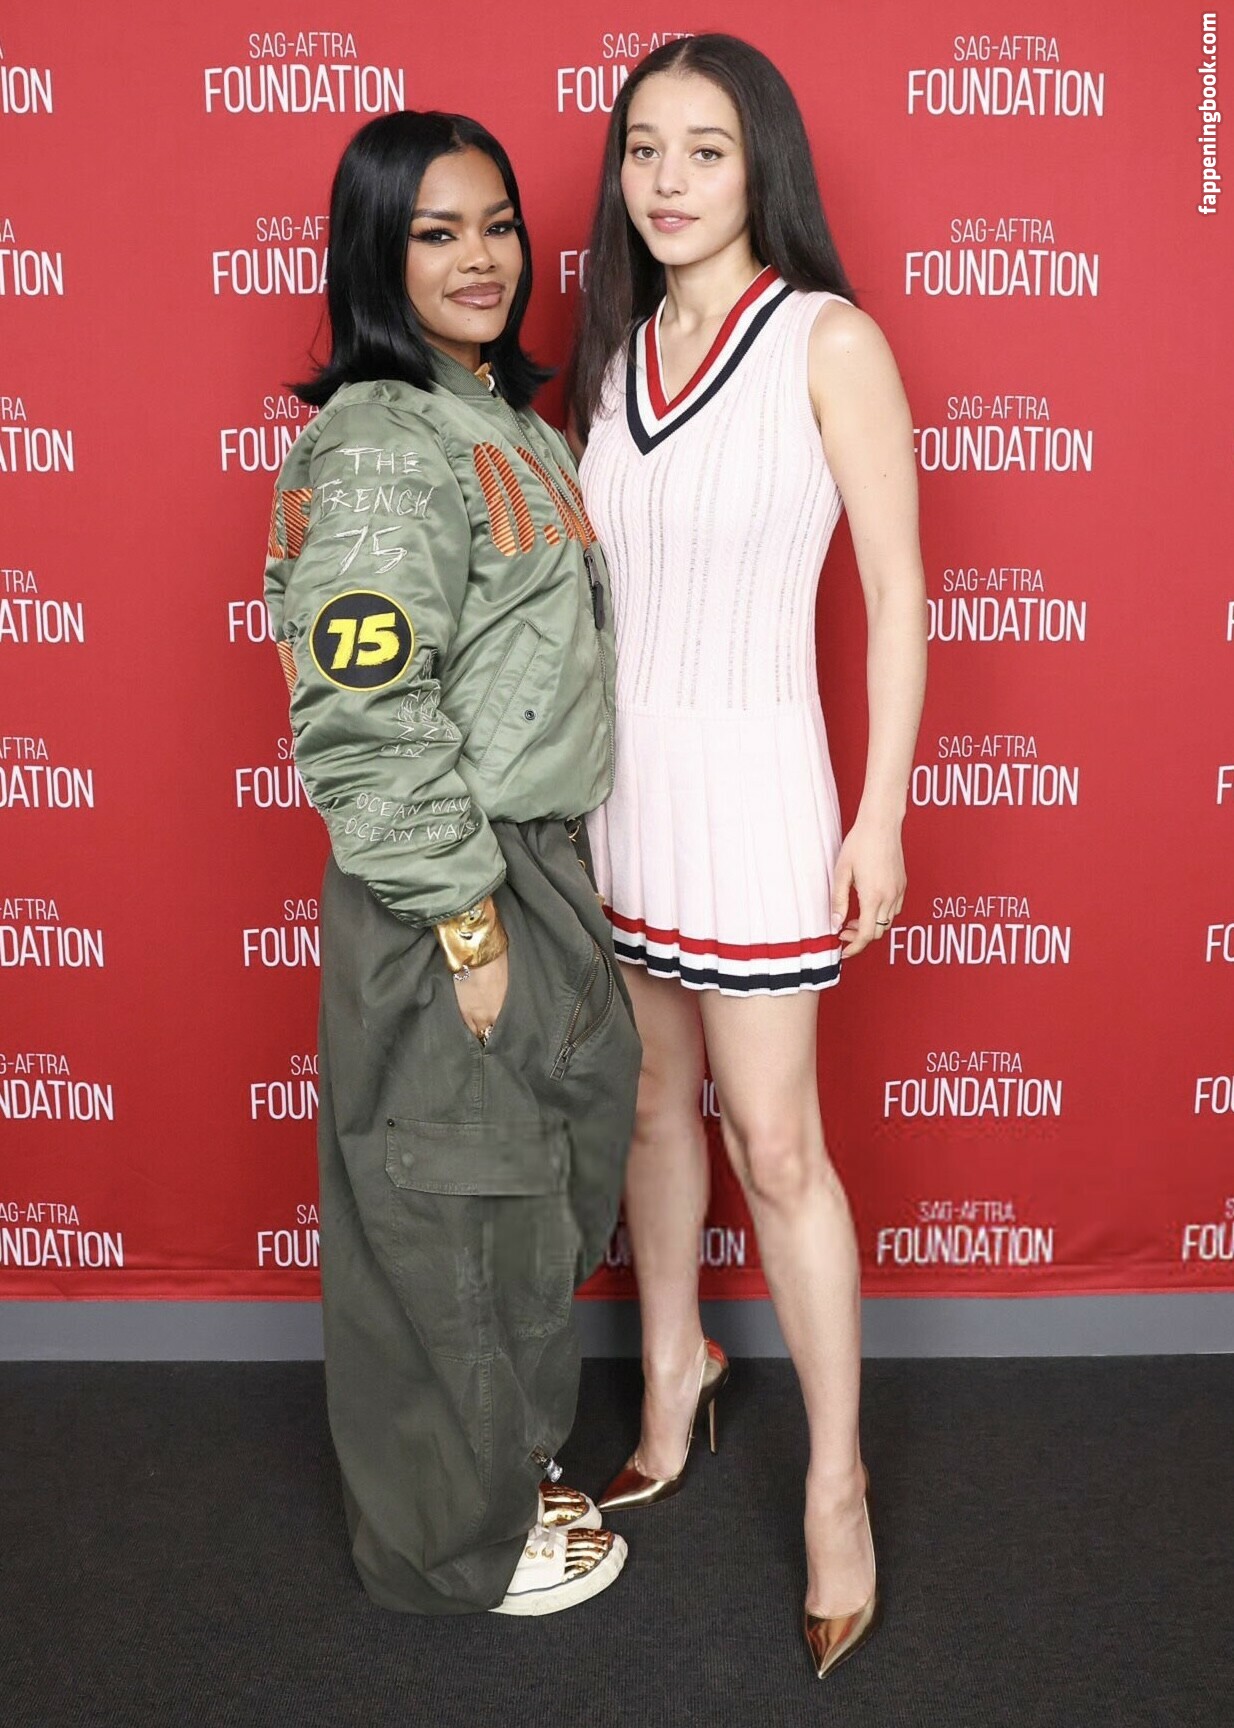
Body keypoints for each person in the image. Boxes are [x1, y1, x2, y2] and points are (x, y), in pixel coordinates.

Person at [570, 35, 927, 1675]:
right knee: (651, 1108)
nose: (665, 179)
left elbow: (896, 595)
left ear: (759, 162)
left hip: (760, 785)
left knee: (777, 1149)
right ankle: (672, 1377)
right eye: (642, 147)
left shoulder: (826, 339)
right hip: (620, 790)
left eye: (703, 149)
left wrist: (877, 812)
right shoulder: (613, 348)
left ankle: (835, 1489)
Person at [263, 109, 641, 1617]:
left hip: (530, 863)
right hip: (453, 879)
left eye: (497, 226)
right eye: (436, 234)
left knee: (518, 1195)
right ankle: (450, 1552)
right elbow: (362, 709)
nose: (481, 259)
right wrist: (466, 924)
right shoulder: (380, 441)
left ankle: (502, 1480)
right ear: (377, 253)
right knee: (450, 1207)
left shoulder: (498, 419)